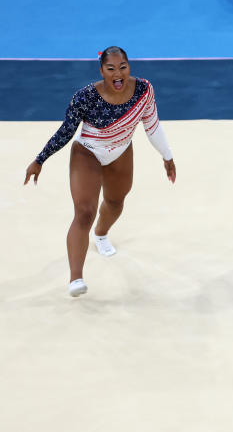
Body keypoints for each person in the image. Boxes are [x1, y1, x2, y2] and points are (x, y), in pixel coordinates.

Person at [23, 46, 176, 297]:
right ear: (101, 70)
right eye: (111, 69)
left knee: (115, 202)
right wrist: (40, 160)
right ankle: (76, 279)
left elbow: (152, 125)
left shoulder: (144, 90)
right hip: (88, 152)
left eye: (123, 67)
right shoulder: (85, 97)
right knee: (84, 213)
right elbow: (66, 131)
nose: (118, 74)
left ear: (129, 67)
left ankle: (102, 235)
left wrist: (167, 156)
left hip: (121, 151)